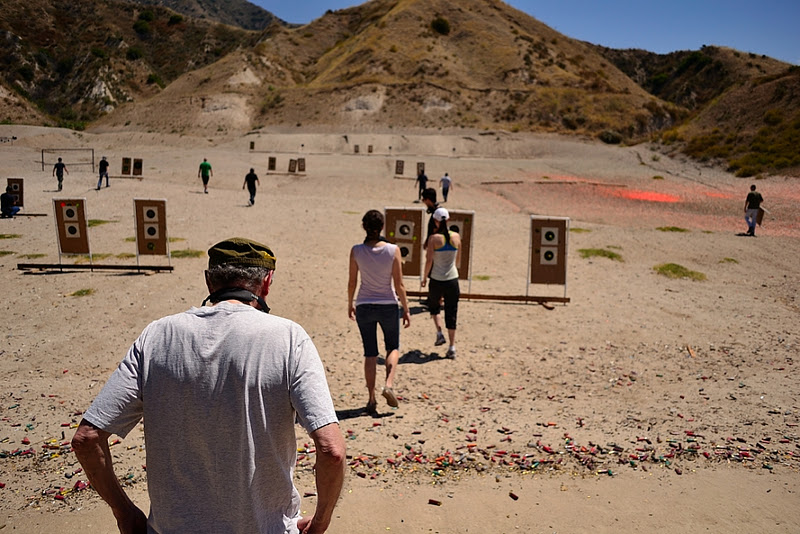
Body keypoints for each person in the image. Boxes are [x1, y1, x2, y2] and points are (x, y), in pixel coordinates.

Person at [71, 237, 346, 534]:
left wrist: (124, 512)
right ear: (266, 282)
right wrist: (320, 521)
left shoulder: (158, 336)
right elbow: (331, 450)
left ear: (209, 281)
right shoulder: (289, 338)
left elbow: (87, 439)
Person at [348, 210, 411, 413]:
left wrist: (350, 303)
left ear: (363, 226)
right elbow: (399, 284)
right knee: (392, 347)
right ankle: (389, 384)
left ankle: (371, 398)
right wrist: (407, 308)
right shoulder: (393, 250)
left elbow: (352, 281)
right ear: (382, 227)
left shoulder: (356, 250)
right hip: (388, 304)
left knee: (370, 353)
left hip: (365, 304)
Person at [421, 208, 461, 359]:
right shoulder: (456, 236)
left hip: (437, 279)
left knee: (434, 307)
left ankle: (439, 332)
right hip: (452, 279)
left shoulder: (434, 239)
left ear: (436, 221)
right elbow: (458, 259)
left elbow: (429, 260)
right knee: (452, 312)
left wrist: (425, 277)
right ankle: (452, 346)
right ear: (448, 220)